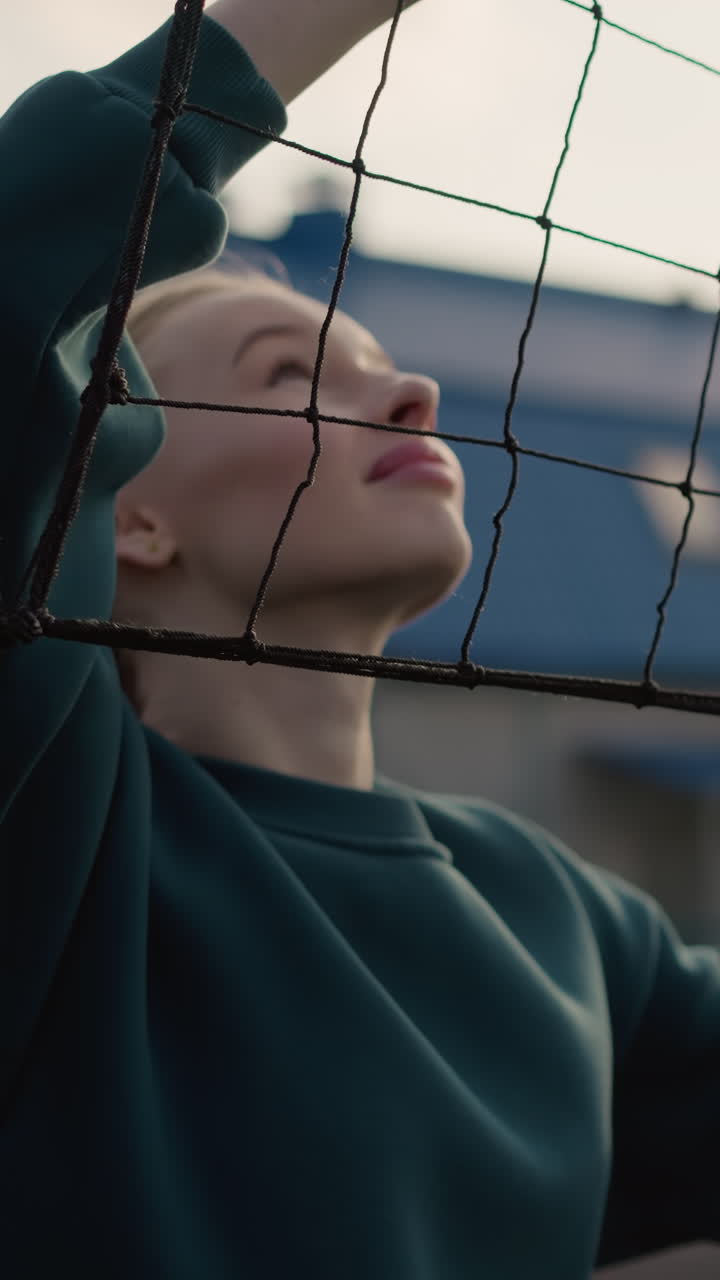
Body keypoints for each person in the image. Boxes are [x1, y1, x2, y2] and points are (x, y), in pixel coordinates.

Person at [1, 3, 718, 1277]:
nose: (413, 393)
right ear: (125, 506)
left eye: (379, 361)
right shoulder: (58, 820)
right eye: (289, 374)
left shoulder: (556, 913)